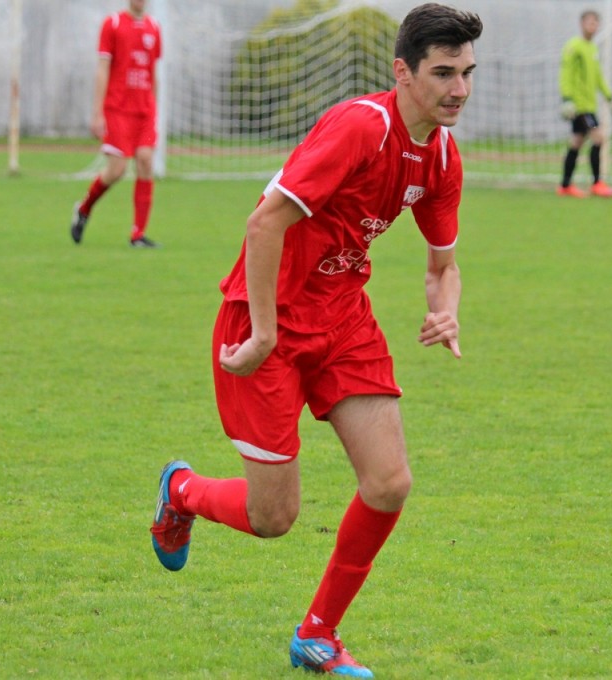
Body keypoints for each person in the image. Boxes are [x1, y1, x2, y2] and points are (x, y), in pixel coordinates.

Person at [149, 3, 482, 676]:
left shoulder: (443, 157)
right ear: (402, 71)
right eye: (444, 73)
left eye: (468, 73)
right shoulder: (362, 126)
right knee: (274, 518)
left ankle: (317, 635)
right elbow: (264, 221)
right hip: (263, 318)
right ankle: (181, 492)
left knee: (389, 482)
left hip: (342, 319)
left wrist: (446, 310)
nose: (459, 90)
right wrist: (267, 331)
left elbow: (444, 268)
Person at [69, 0, 161, 248]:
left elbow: (153, 72)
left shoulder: (154, 27)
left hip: (145, 110)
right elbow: (103, 69)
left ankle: (137, 235)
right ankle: (84, 209)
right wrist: (97, 113)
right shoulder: (113, 24)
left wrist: (155, 109)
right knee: (117, 169)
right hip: (118, 109)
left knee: (145, 161)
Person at [556, 9, 612, 198]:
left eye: (595, 23)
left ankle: (565, 185)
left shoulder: (593, 48)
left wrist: (610, 97)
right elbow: (566, 73)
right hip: (579, 106)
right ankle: (597, 183)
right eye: (589, 22)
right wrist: (567, 99)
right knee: (598, 137)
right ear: (582, 24)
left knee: (576, 142)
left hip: (590, 105)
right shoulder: (573, 46)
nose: (593, 26)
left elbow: (598, 77)